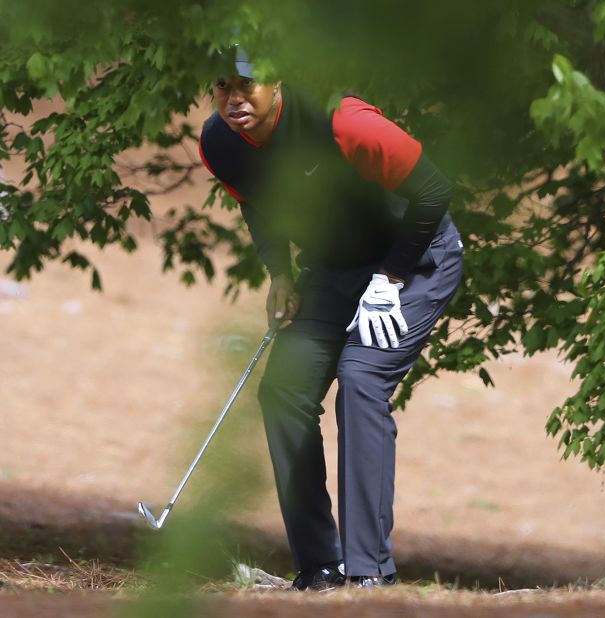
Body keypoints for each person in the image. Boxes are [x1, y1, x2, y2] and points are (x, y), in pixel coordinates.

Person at [198, 50, 463, 591]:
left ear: (277, 83)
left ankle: (370, 572)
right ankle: (320, 567)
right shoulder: (219, 142)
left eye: (248, 84)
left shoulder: (344, 122)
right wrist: (280, 275)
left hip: (416, 259)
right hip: (335, 271)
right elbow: (254, 201)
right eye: (222, 86)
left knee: (361, 379)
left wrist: (389, 280)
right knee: (284, 389)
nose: (234, 98)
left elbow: (434, 191)